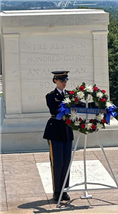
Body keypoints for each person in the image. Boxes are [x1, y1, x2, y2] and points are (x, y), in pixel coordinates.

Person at [43, 71, 73, 201]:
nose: (64, 83)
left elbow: (80, 106)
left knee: (66, 162)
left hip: (67, 131)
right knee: (57, 162)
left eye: (65, 80)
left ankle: (65, 190)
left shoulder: (71, 95)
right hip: (55, 131)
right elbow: (55, 109)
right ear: (55, 80)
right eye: (62, 80)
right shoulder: (50, 96)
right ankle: (57, 191)